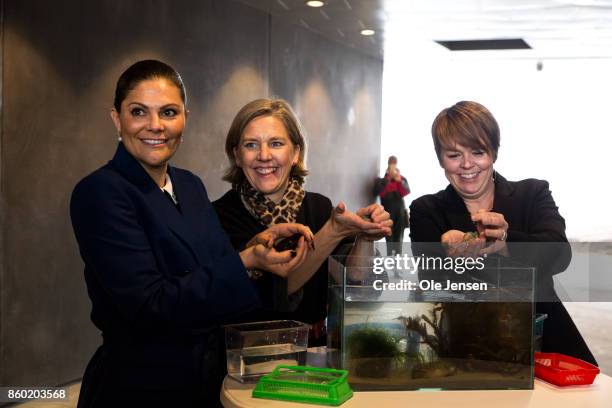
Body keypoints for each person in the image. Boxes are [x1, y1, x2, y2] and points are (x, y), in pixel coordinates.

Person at [70, 61, 313, 407]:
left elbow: (210, 266)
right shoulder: (101, 192)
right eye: (139, 111)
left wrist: (255, 247)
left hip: (207, 382)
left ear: (185, 117)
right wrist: (245, 261)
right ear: (117, 119)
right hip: (142, 388)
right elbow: (149, 305)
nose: (155, 126)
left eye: (168, 112)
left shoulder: (190, 185)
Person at [409, 100, 596, 365]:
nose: (466, 164)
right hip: (466, 345)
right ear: (441, 159)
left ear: (494, 153)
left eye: (477, 152)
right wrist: (444, 253)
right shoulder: (426, 209)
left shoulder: (532, 193)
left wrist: (507, 244)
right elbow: (431, 280)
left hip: (542, 335)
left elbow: (559, 254)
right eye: (453, 155)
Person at [213, 98, 392, 346]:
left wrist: (364, 237)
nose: (264, 156)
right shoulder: (219, 216)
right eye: (251, 145)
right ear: (237, 155)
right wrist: (333, 231)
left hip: (313, 356)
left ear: (295, 153)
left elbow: (356, 280)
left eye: (276, 143)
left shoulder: (319, 207)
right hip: (247, 360)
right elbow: (271, 293)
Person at [375, 155, 410, 256]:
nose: (393, 167)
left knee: (399, 239)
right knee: (389, 238)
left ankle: (397, 263)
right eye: (391, 164)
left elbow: (406, 192)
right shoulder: (382, 181)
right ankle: (390, 260)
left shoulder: (401, 179)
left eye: (394, 164)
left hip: (400, 213)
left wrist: (399, 180)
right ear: (388, 165)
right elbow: (380, 192)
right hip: (387, 214)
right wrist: (388, 178)